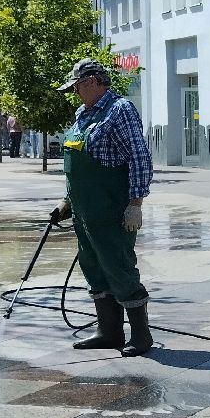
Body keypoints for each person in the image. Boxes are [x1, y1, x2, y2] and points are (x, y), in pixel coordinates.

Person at [50, 59, 155, 356]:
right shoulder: (82, 114)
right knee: (93, 267)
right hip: (85, 212)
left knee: (119, 267)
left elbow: (139, 158)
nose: (74, 93)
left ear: (93, 82)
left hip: (112, 210)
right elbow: (76, 167)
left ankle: (141, 336)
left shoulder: (119, 110)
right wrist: (67, 201)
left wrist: (135, 203)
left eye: (77, 87)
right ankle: (108, 331)